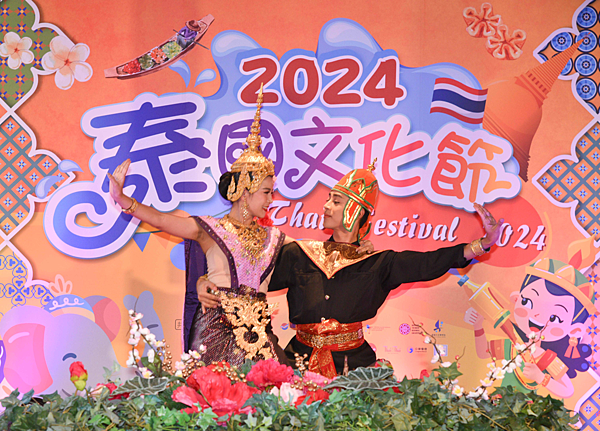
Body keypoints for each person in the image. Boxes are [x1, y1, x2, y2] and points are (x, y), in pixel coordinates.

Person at [109, 87, 372, 367]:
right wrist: (123, 200)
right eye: (266, 192)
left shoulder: (274, 238)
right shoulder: (210, 229)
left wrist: (356, 248)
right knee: (215, 392)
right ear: (245, 190)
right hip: (216, 330)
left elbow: (316, 253)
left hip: (259, 331)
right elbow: (162, 220)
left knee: (274, 387)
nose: (271, 200)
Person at [199, 161, 503, 378]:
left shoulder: (379, 263)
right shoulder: (299, 253)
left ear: (355, 211)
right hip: (296, 362)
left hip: (355, 366)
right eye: (328, 199)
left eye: (335, 201)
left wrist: (481, 244)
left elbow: (427, 263)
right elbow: (248, 276)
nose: (325, 206)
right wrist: (204, 281)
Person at [464, 258, 595, 397]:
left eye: (554, 318)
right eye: (527, 302)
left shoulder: (546, 357)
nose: (537, 316)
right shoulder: (513, 345)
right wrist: (478, 327)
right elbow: (483, 352)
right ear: (516, 299)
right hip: (503, 403)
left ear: (574, 330)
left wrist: (540, 377)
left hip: (533, 408)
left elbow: (568, 390)